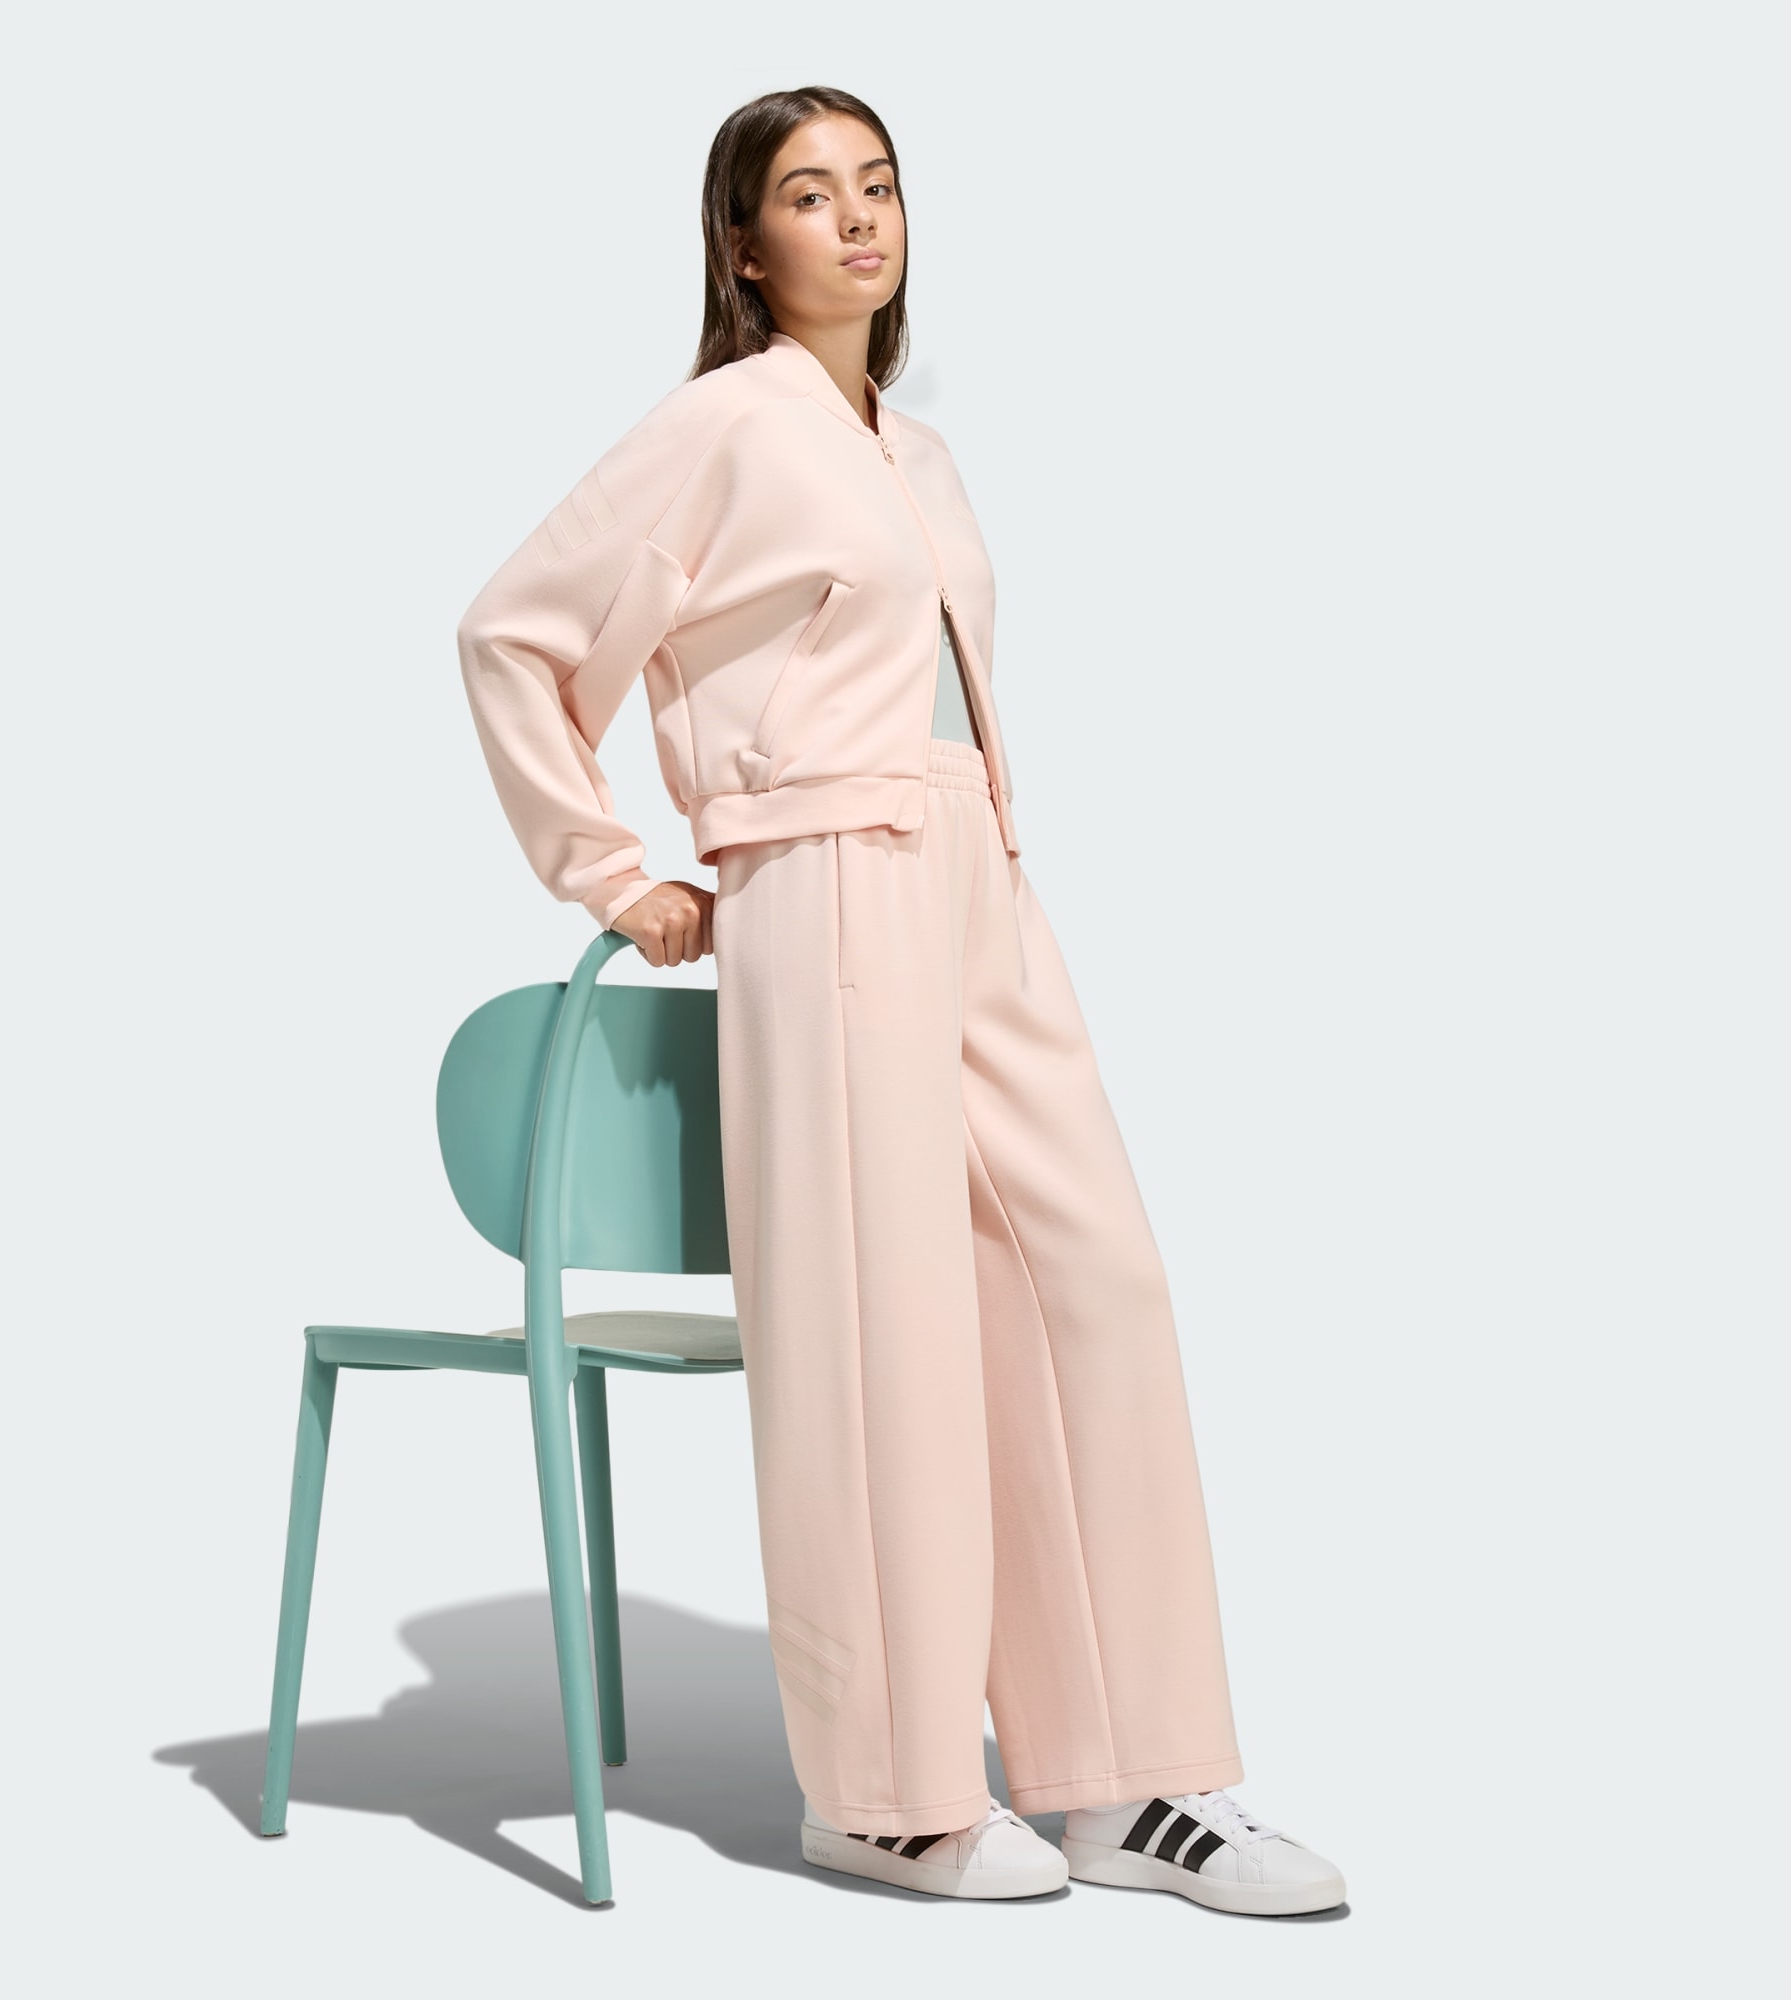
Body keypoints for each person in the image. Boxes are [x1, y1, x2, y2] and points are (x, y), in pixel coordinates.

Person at [455, 84, 1345, 1914]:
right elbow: (511, 634)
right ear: (742, 242)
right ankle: (886, 1791)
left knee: (1090, 1281)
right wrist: (613, 872)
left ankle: (1127, 1781)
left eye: (879, 185)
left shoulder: (916, 450)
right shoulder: (720, 427)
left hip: (978, 867)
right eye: (809, 193)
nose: (858, 218)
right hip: (821, 872)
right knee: (882, 1327)